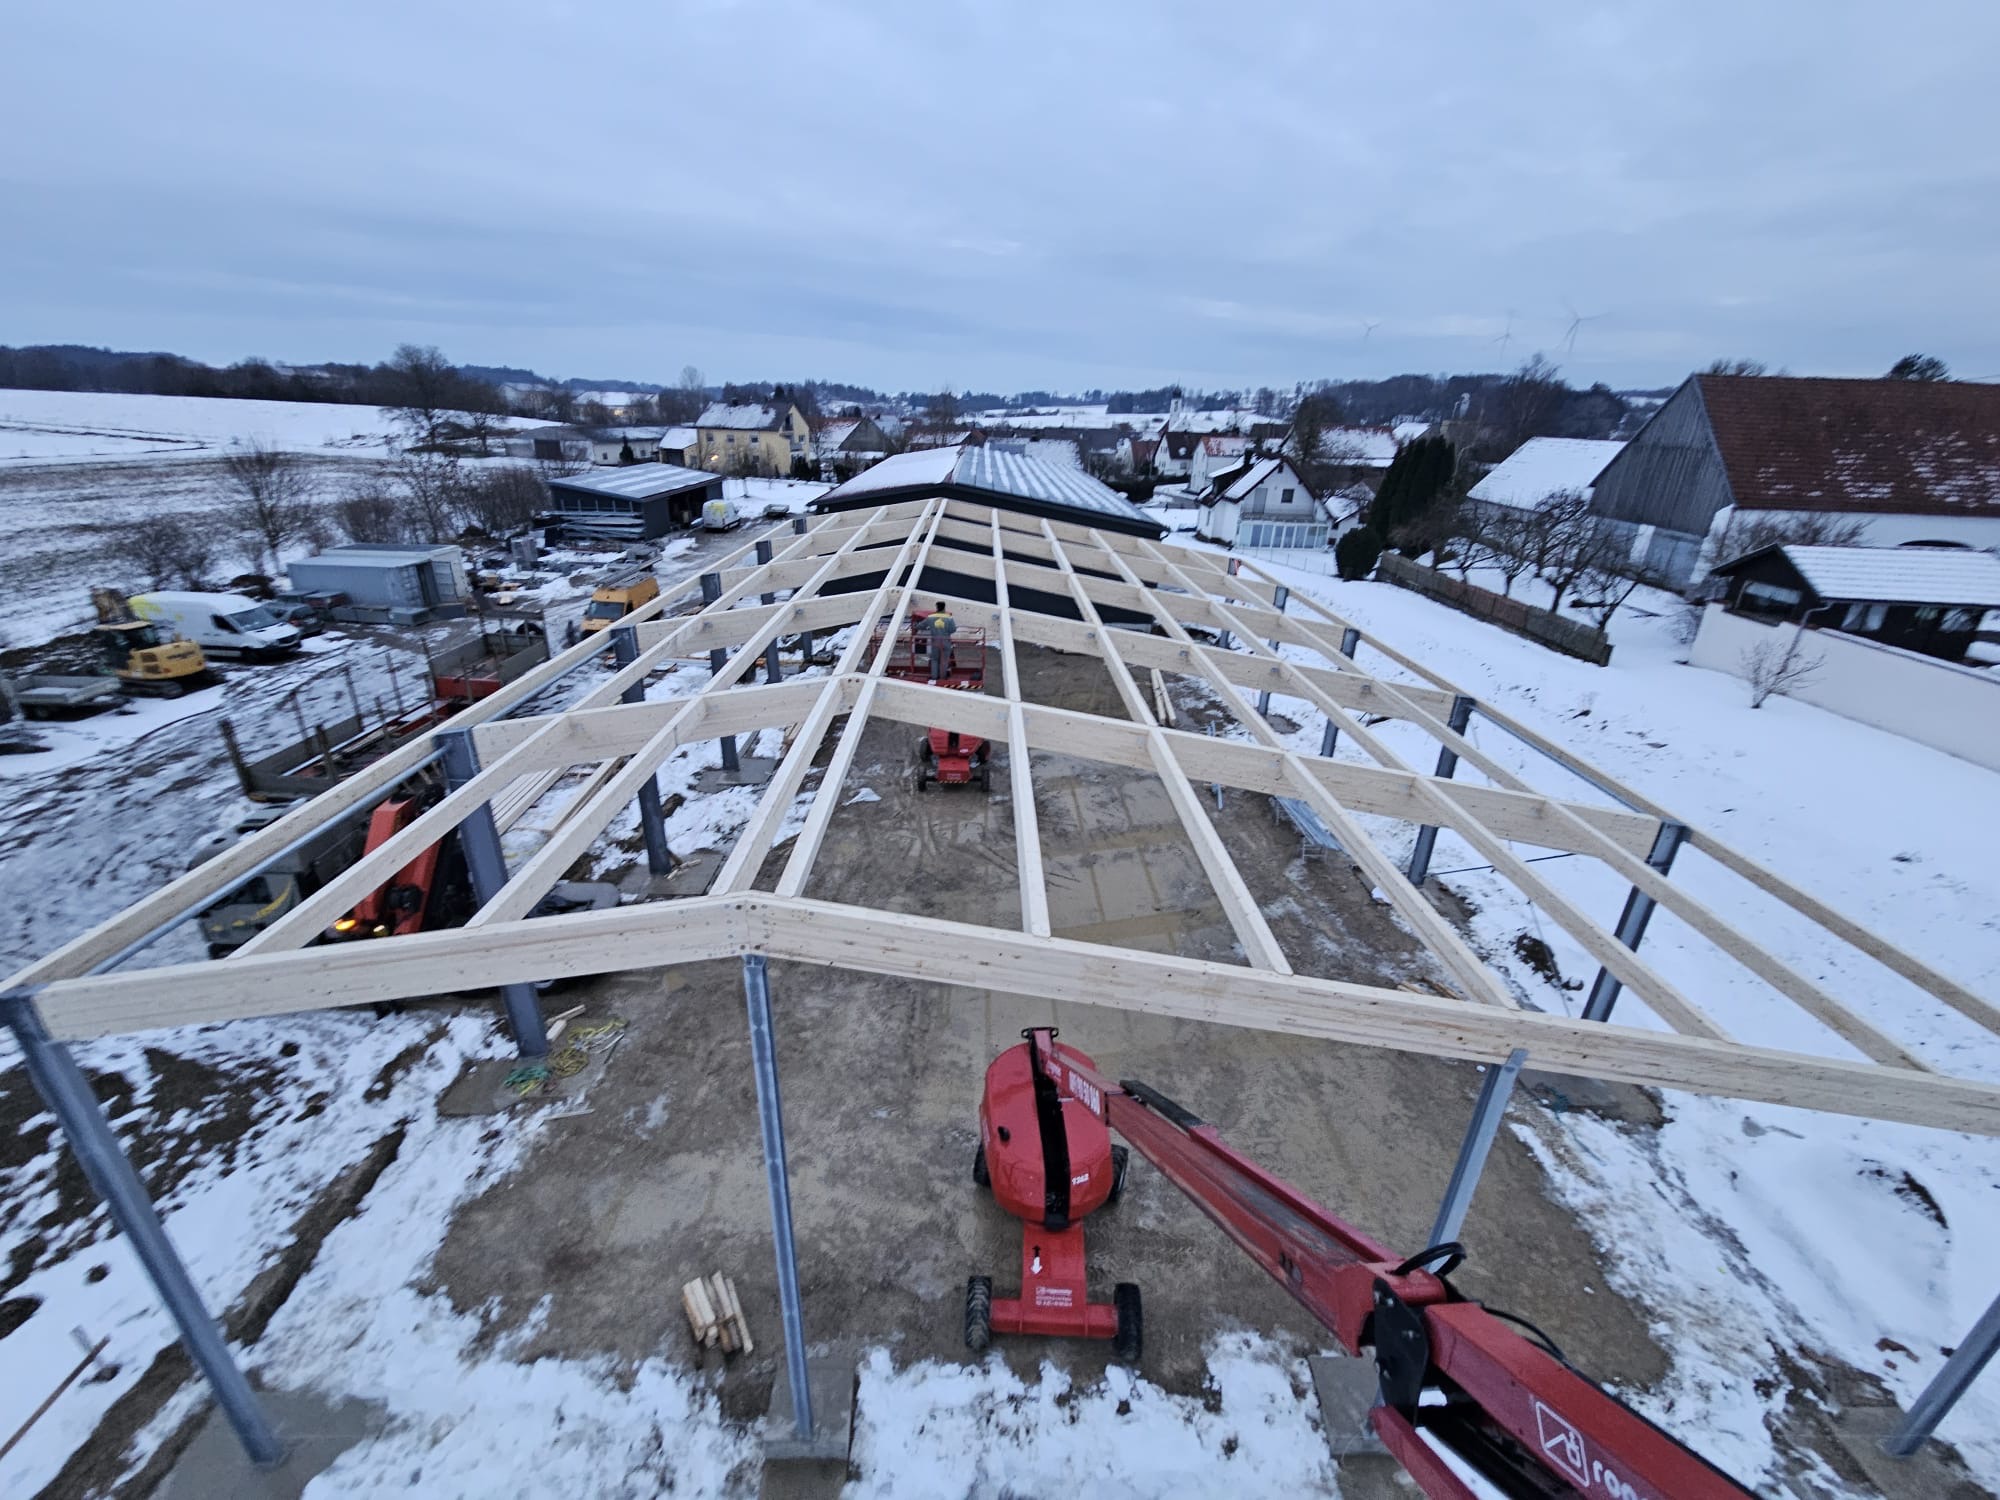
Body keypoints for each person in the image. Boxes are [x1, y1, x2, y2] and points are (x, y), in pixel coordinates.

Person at [924, 601, 956, 681]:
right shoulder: (949, 618)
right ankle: (943, 677)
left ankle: (934, 677)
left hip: (935, 642)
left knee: (934, 659)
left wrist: (916, 626)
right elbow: (953, 629)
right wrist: (946, 631)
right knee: (944, 660)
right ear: (944, 608)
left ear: (937, 607)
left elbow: (921, 625)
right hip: (946, 642)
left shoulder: (930, 617)